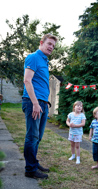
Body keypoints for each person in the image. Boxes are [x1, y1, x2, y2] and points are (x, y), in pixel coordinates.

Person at [22, 33, 58, 179]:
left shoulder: (44, 61)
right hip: (33, 102)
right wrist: (36, 103)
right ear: (41, 42)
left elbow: (41, 83)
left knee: (38, 137)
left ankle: (34, 164)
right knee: (32, 136)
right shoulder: (33, 57)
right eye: (49, 44)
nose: (51, 47)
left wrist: (46, 102)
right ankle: (30, 169)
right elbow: (27, 81)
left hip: (42, 103)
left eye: (53, 46)